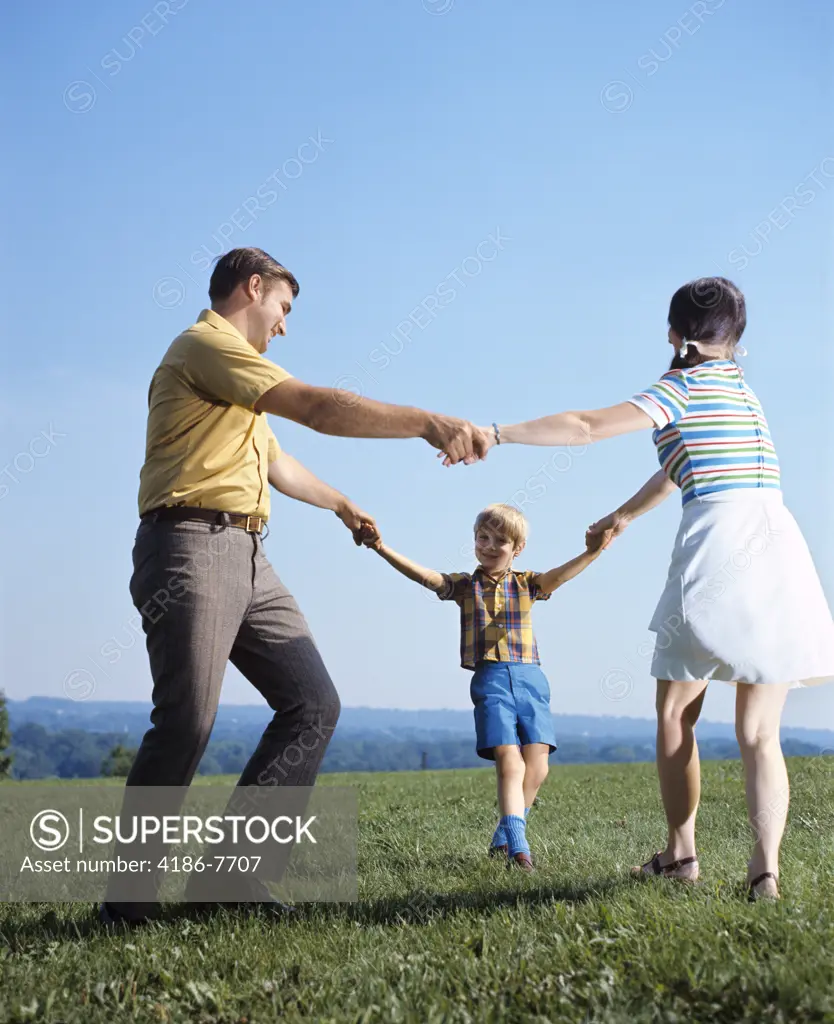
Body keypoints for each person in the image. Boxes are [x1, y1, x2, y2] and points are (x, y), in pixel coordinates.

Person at [101, 247, 489, 926]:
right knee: (186, 720)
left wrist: (342, 504)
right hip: (189, 545)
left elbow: (278, 461)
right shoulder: (205, 346)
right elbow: (316, 407)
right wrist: (427, 421)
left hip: (249, 554)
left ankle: (232, 881)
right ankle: (125, 903)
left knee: (313, 704)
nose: (284, 325)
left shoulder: (237, 385)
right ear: (252, 288)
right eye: (283, 307)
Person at [465, 277, 834, 900]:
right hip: (779, 546)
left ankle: (682, 853)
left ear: (673, 332)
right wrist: (624, 514)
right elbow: (679, 462)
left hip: (719, 545)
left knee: (673, 712)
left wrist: (495, 433)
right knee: (758, 733)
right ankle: (764, 872)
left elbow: (585, 425)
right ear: (736, 338)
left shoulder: (681, 386)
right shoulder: (742, 391)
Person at [361, 503, 612, 869]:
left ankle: (504, 834)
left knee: (537, 766)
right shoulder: (467, 586)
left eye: (500, 541)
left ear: (517, 548)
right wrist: (382, 548)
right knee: (510, 762)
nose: (490, 546)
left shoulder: (527, 584)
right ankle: (518, 848)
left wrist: (592, 552)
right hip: (491, 679)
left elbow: (559, 576)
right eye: (483, 538)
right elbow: (427, 577)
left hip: (530, 676)